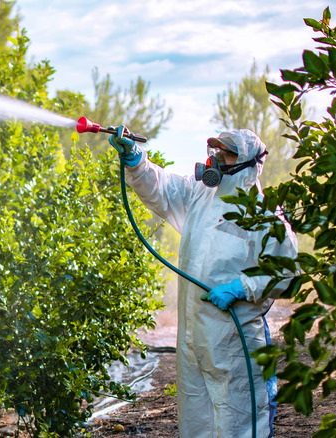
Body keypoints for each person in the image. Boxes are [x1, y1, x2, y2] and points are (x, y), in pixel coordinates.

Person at [108, 127, 298, 438]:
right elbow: (163, 188)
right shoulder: (201, 196)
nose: (216, 158)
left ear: (248, 163)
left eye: (227, 153)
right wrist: (134, 161)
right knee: (197, 417)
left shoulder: (265, 216)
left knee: (240, 417)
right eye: (215, 151)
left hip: (235, 339)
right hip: (194, 334)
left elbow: (286, 272)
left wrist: (241, 288)